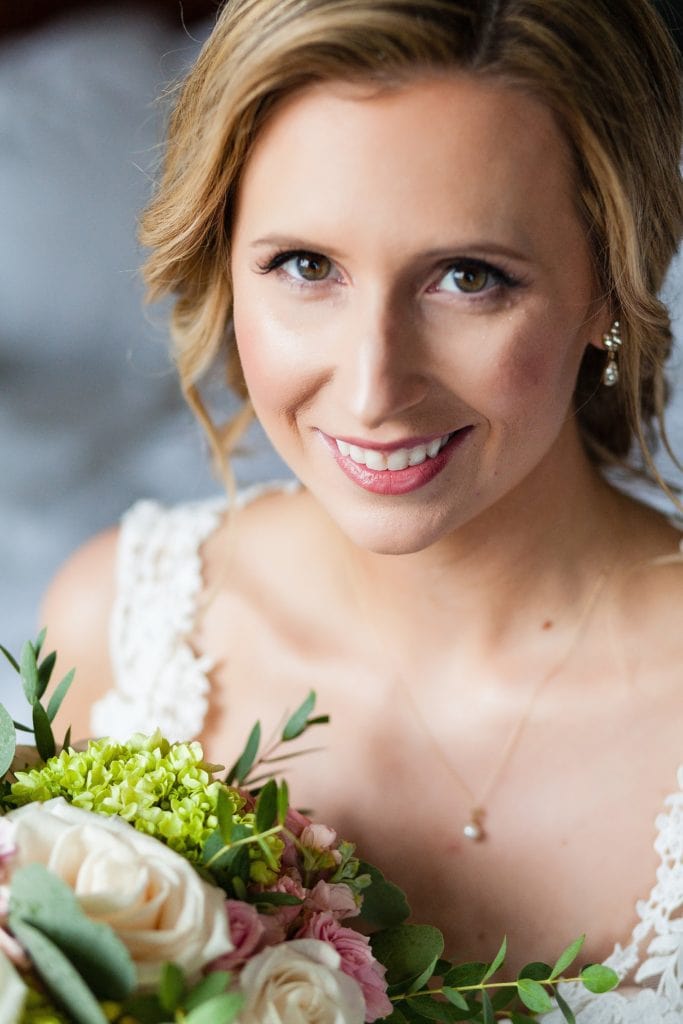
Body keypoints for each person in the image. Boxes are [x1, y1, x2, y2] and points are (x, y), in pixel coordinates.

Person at [42, 0, 683, 1016]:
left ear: (607, 281)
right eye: (306, 267)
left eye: (467, 278)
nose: (373, 386)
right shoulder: (116, 635)